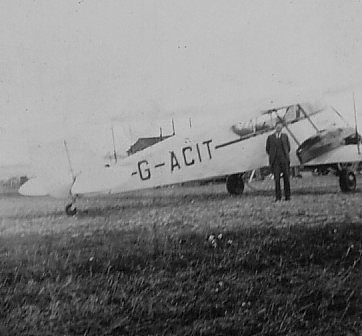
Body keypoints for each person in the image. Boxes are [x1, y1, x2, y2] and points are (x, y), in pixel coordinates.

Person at [266, 121, 291, 201]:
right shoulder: (270, 137)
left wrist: (285, 156)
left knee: (286, 178)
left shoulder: (285, 136)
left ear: (282, 128)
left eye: (280, 127)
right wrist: (273, 156)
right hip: (275, 161)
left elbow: (288, 148)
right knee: (277, 179)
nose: (279, 129)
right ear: (275, 127)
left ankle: (288, 196)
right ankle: (278, 197)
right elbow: (267, 149)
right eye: (277, 127)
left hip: (284, 160)